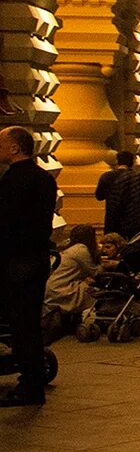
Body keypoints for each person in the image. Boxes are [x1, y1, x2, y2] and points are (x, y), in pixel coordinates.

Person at [0, 126, 57, 406]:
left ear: (14, 148)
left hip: (16, 261)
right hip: (36, 259)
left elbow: (6, 223)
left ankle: (29, 386)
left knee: (21, 324)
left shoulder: (14, 181)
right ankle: (33, 378)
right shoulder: (44, 178)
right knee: (28, 323)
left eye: (2, 143)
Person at [42, 223, 100, 338]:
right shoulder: (81, 250)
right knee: (94, 291)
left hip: (53, 287)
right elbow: (96, 272)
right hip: (63, 289)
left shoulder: (70, 249)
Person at [97, 149, 140, 238]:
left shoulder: (107, 177)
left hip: (114, 223)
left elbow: (99, 196)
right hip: (137, 223)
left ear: (117, 162)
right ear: (133, 163)